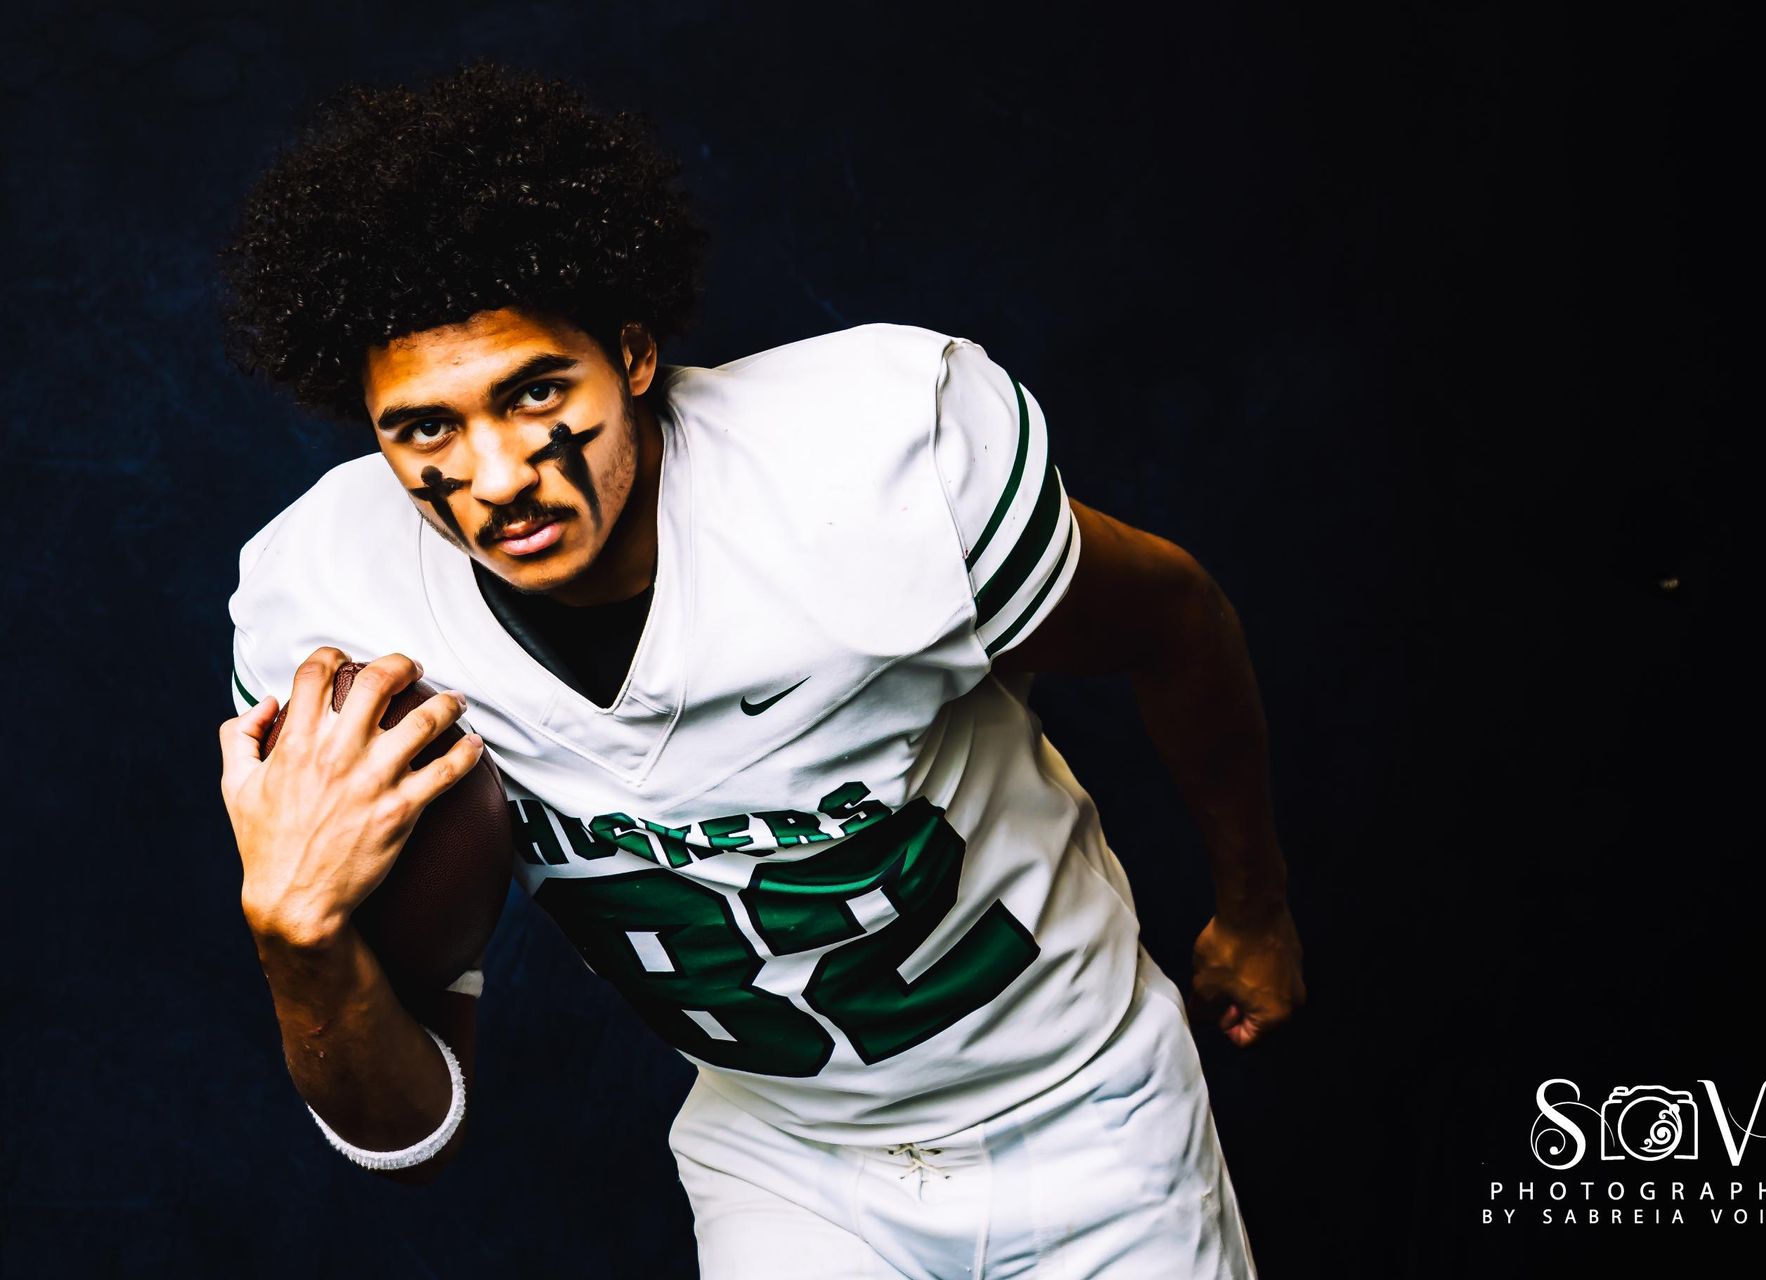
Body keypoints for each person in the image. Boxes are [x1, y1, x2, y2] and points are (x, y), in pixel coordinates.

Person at [215, 62, 1303, 1278]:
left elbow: (1174, 616)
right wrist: (292, 930)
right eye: (427, 425)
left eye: (534, 392)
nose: (502, 470)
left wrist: (1253, 903)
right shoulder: (348, 617)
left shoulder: (873, 469)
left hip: (1085, 1106)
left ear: (632, 352)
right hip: (790, 1162)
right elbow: (412, 1133)